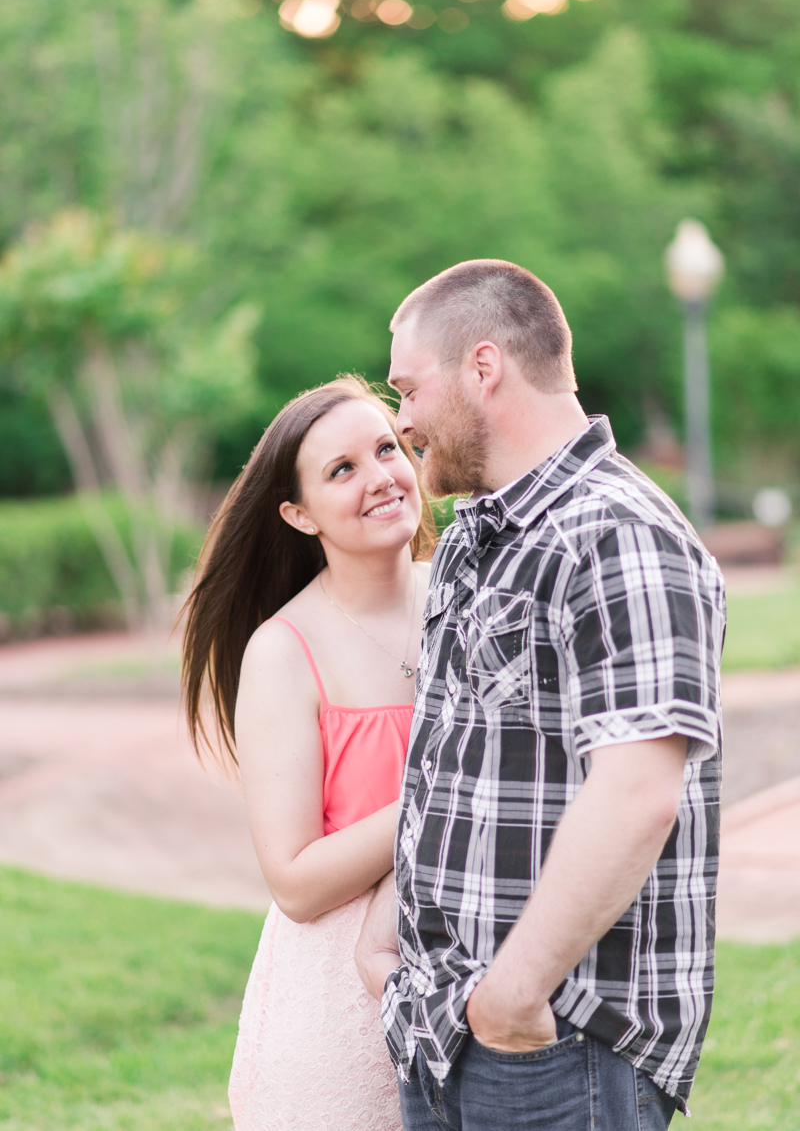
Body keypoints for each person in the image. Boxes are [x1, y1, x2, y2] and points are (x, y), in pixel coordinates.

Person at [355, 260, 726, 1130]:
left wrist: (515, 996)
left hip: (559, 1043)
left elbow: (637, 795)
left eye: (408, 390)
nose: (401, 420)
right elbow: (450, 771)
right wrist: (395, 952)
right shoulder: (474, 539)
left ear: (484, 369)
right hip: (447, 1029)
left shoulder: (619, 534)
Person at [181, 376, 438, 1131]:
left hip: (474, 977)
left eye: (386, 449)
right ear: (296, 514)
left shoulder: (467, 596)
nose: (381, 477)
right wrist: (441, 793)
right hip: (338, 1009)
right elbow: (293, 881)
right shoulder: (283, 652)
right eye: (341, 470)